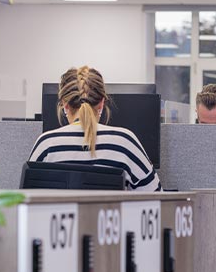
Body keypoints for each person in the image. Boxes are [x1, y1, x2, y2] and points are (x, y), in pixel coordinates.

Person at [29, 66, 161, 191]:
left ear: (64, 104)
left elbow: (26, 205)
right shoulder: (125, 142)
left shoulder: (46, 145)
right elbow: (156, 199)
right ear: (102, 103)